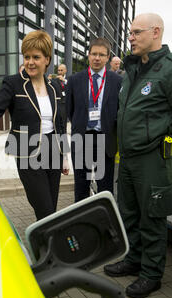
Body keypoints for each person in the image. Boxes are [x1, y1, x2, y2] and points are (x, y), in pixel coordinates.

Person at [104, 13, 172, 298]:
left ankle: (151, 274)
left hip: (154, 158)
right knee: (130, 213)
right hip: (130, 157)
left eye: (136, 32)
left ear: (155, 32)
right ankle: (134, 260)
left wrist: (162, 141)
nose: (130, 37)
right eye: (130, 32)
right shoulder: (132, 68)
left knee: (153, 218)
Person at [0, 30, 69, 220]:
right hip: (27, 152)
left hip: (53, 150)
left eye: (36, 57)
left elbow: (59, 123)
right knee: (45, 210)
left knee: (51, 209)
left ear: (47, 59)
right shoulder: (13, 83)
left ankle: (45, 247)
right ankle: (47, 246)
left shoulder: (54, 87)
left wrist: (64, 156)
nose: (30, 62)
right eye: (26, 56)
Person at [66, 37, 122, 202]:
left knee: (104, 188)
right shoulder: (75, 80)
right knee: (81, 187)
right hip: (82, 138)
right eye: (94, 54)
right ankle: (81, 224)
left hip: (106, 140)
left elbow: (120, 111)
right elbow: (70, 109)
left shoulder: (117, 81)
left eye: (101, 55)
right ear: (88, 55)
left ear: (108, 57)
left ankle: (103, 224)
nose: (97, 58)